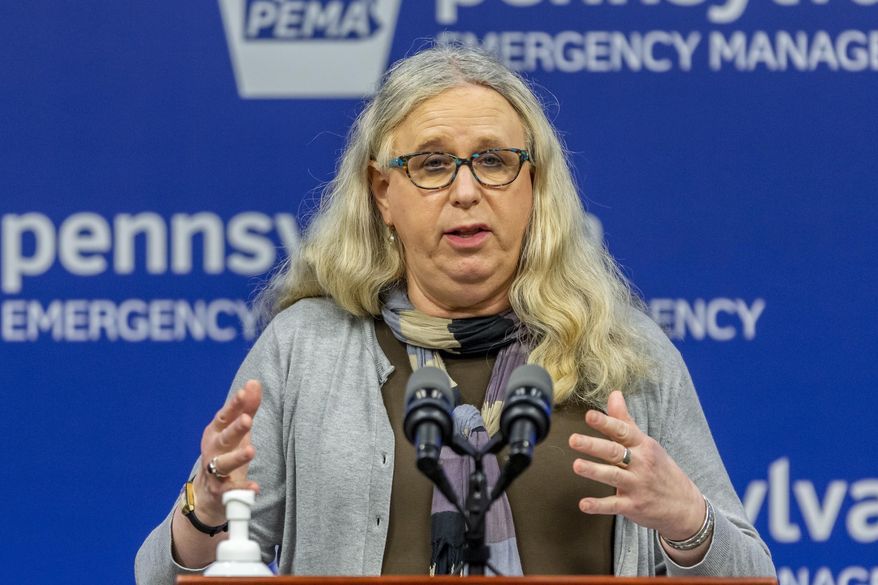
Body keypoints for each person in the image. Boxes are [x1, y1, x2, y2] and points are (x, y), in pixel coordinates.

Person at [135, 44, 775, 582]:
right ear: (383, 192)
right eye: (433, 164)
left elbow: (754, 574)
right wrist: (210, 509)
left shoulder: (620, 355)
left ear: (534, 187)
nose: (465, 191)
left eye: (494, 161)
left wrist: (690, 525)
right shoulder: (306, 348)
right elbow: (161, 575)